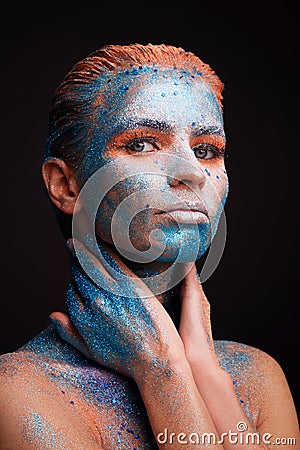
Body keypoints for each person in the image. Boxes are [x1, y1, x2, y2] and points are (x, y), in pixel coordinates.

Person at [0, 43, 298, 450]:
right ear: (66, 186)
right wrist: (162, 370)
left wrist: (202, 371)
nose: (192, 172)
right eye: (141, 144)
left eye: (206, 150)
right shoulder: (20, 392)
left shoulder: (257, 376)